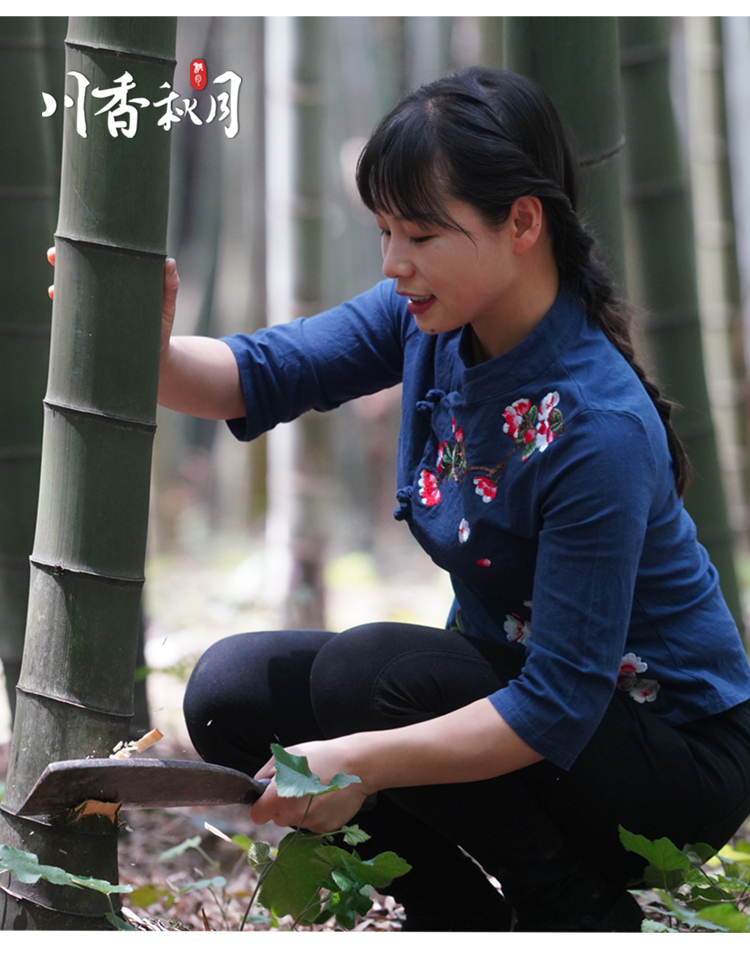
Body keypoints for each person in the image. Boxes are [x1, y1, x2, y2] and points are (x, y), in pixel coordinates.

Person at [160, 67, 750, 931]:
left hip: (667, 763)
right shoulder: (430, 318)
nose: (396, 264)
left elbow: (556, 701)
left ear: (521, 221)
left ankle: (573, 911)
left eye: (422, 235)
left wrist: (361, 761)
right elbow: (262, 372)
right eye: (387, 231)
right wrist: (144, 340)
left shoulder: (594, 423)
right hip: (536, 720)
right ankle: (455, 920)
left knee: (369, 677)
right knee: (233, 690)